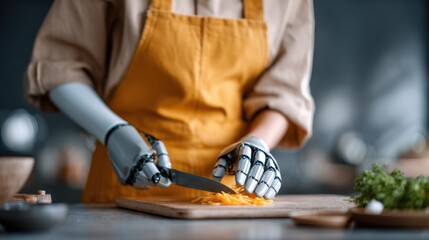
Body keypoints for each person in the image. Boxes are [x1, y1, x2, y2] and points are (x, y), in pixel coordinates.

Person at [26, 0, 315, 203]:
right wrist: (113, 131)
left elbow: (285, 93)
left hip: (230, 196)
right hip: (126, 185)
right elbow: (59, 66)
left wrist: (259, 142)